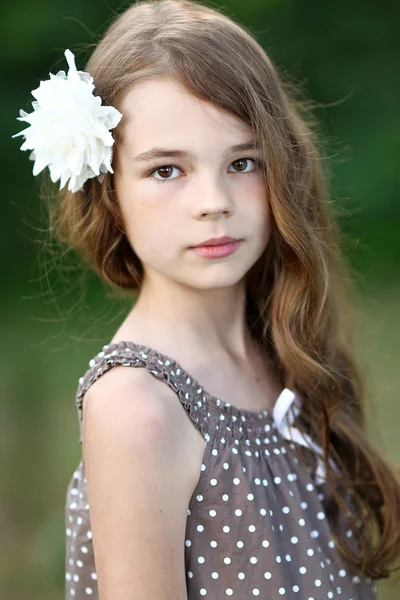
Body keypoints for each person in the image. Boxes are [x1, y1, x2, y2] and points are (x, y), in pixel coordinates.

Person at [13, 1, 400, 598]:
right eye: (167, 170)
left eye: (242, 162)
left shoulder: (286, 354)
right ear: (108, 188)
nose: (213, 201)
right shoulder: (138, 407)